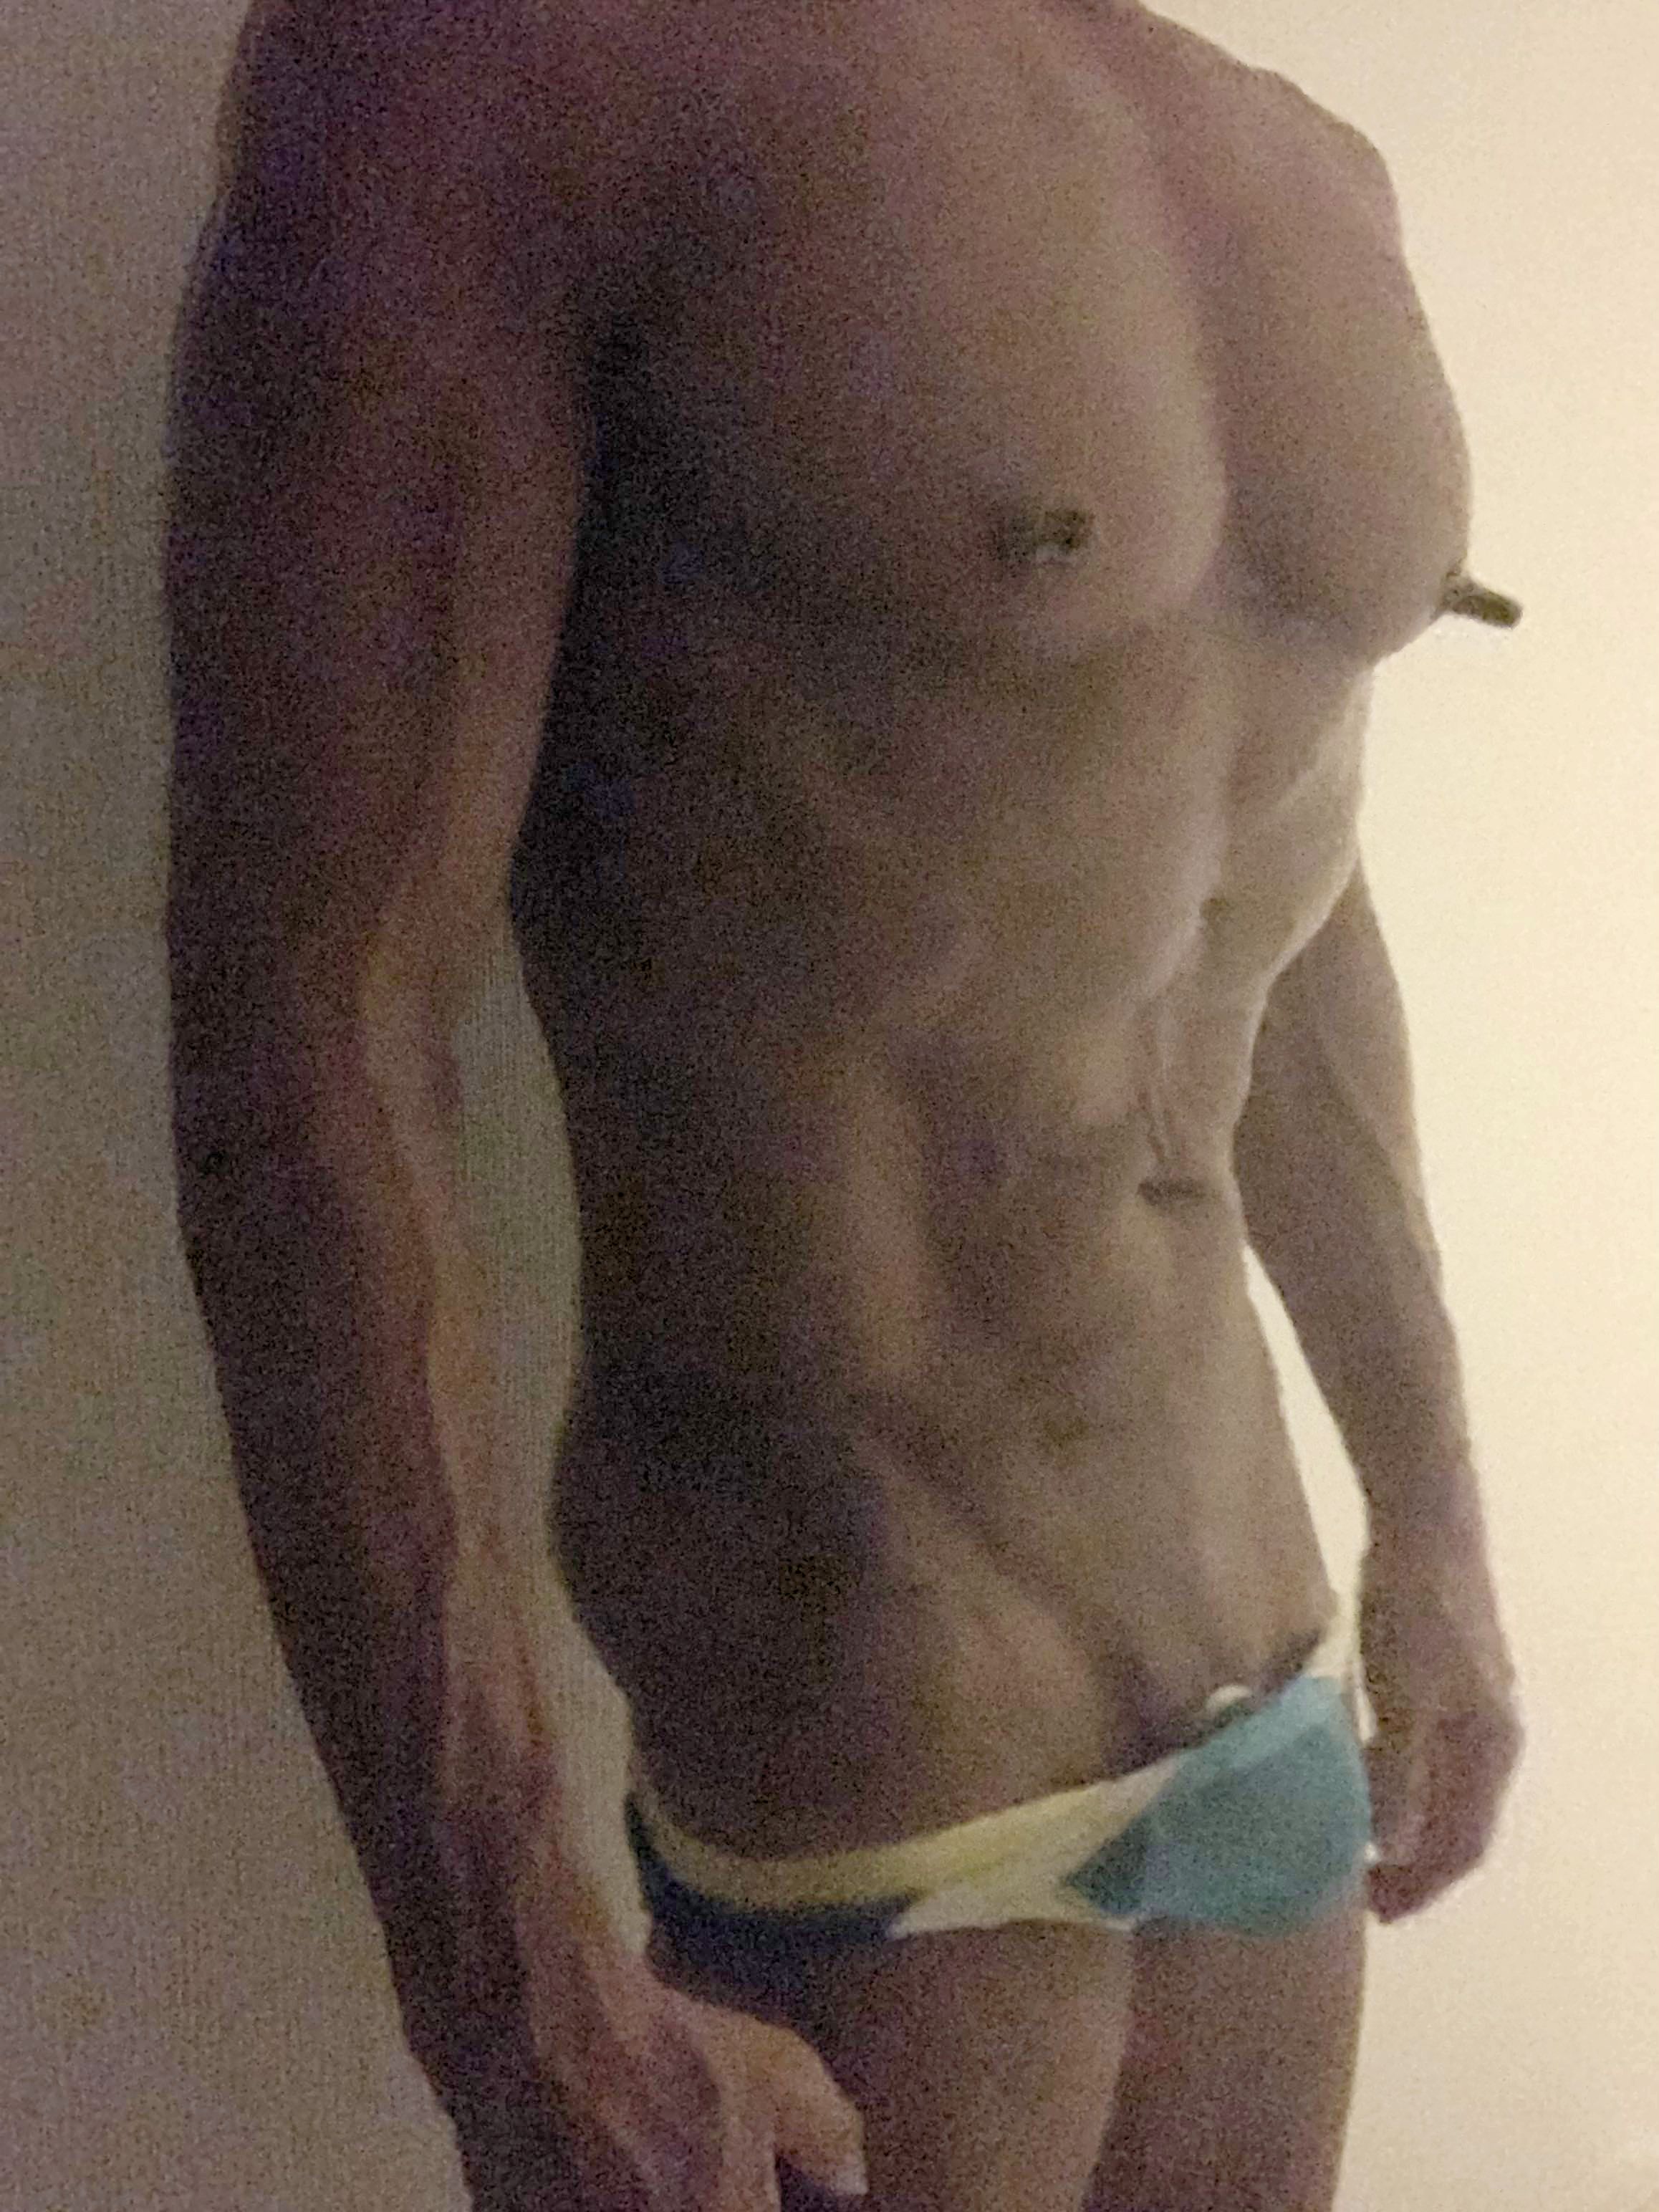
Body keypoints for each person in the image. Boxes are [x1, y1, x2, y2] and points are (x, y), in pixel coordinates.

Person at [164, 0, 1524, 2204]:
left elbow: (1277, 882)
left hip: (1256, 1655)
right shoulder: (497, 63)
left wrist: (1433, 1516)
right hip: (868, 1724)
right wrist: (504, 1983)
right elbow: (310, 1037)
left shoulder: (1298, 163)